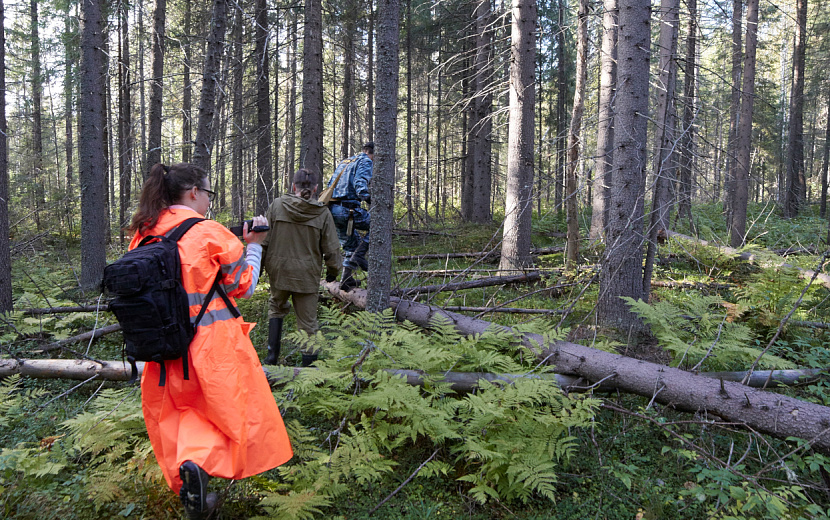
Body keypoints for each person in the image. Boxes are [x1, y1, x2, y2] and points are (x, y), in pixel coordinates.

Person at [127, 163, 292, 520]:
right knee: (225, 412)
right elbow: (243, 285)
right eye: (208, 193)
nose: (208, 201)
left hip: (161, 347)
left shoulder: (144, 233)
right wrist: (255, 246)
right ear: (193, 194)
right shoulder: (208, 232)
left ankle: (190, 469)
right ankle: (199, 466)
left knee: (179, 412)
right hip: (212, 346)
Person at [261, 168, 341, 367]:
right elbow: (331, 250)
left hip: (279, 271)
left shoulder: (277, 206)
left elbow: (263, 241)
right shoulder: (322, 213)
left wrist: (259, 268)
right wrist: (333, 272)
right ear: (315, 189)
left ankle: (271, 361)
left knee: (276, 309)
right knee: (308, 323)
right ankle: (308, 370)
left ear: (293, 186)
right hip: (306, 275)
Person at [325, 141, 373, 290]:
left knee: (350, 245)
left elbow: (330, 184)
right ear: (373, 153)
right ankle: (359, 256)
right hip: (348, 210)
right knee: (381, 225)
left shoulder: (346, 161)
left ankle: (346, 280)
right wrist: (369, 198)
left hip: (333, 210)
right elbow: (360, 184)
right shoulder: (366, 161)